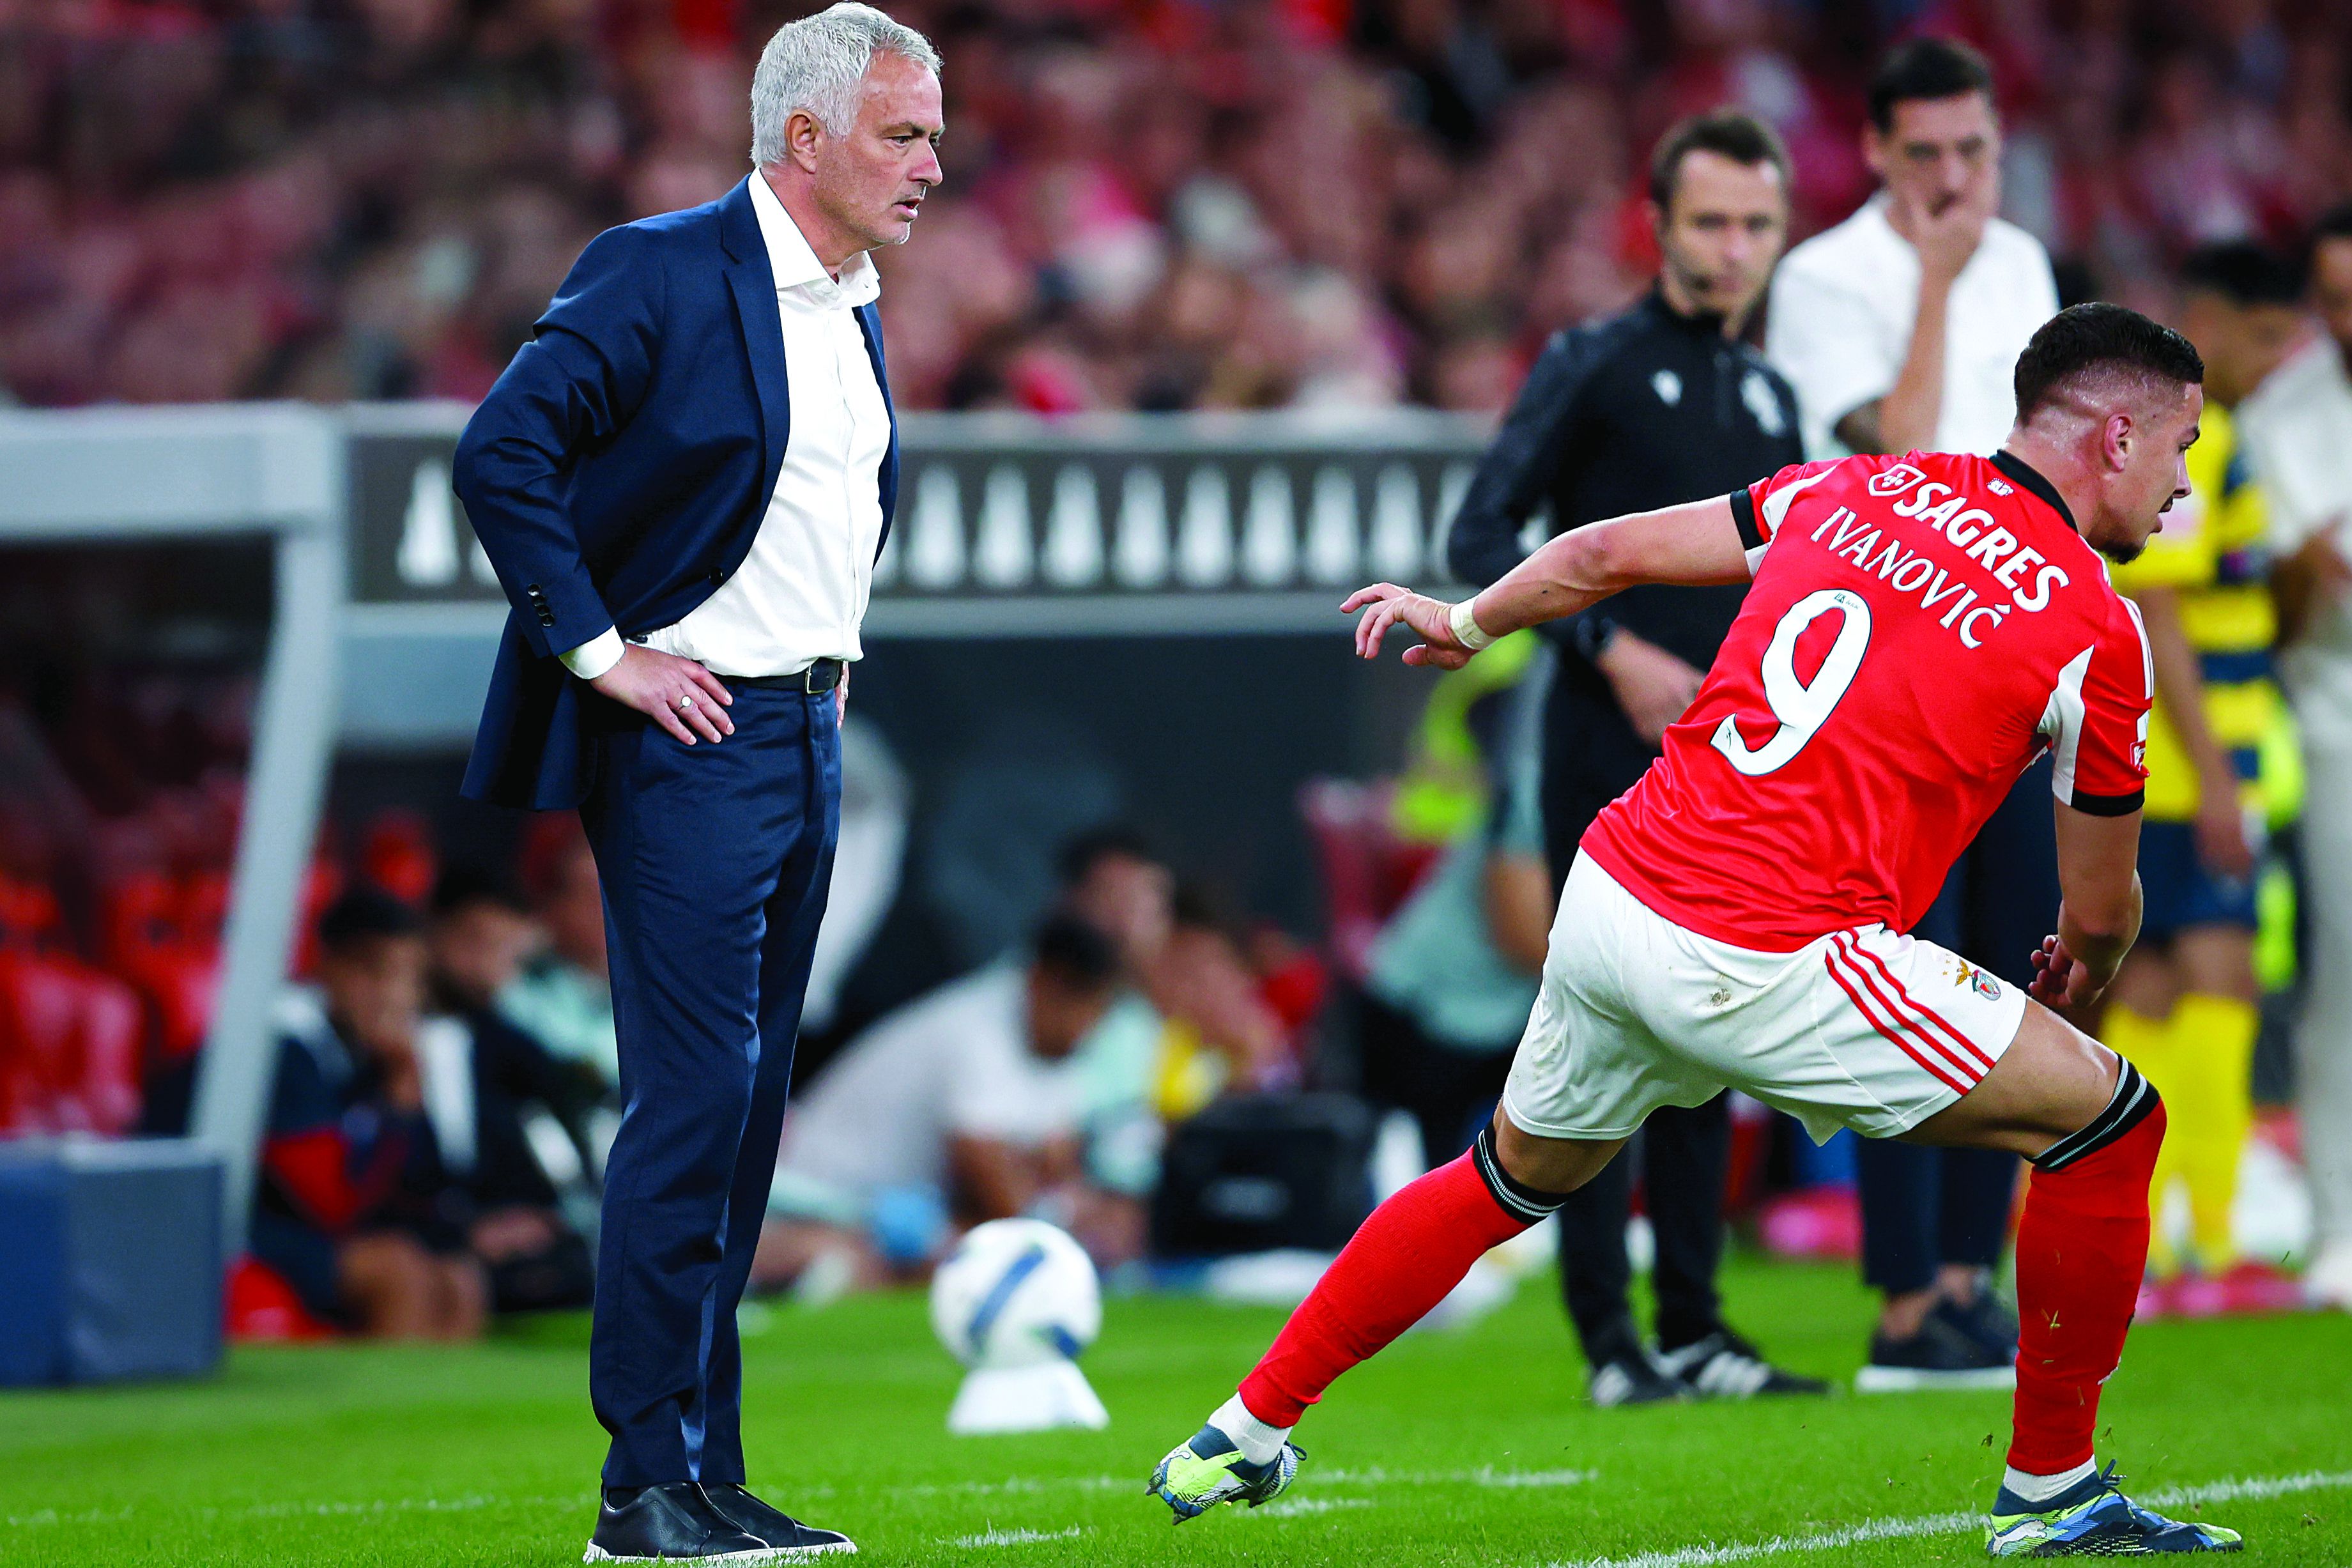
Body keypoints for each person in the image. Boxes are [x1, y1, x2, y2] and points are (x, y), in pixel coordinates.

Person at [1153, 304, 2247, 1556]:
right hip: (1775, 951)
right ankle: (2053, 1494)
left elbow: (1604, 553)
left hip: (1620, 893)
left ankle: (1240, 1427)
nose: (2178, 488)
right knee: (2111, 1123)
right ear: (2114, 435)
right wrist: (2086, 964)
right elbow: (2099, 909)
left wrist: (1463, 623)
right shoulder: (2096, 631)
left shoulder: (1854, 487)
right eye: (2179, 447)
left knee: (1506, 1178)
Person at [450, 4, 941, 1556]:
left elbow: (819, 505)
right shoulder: (657, 265)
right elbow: (500, 453)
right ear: (804, 140)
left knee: (742, 1118)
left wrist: (823, 656)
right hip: (691, 738)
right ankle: (634, 1486)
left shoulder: (851, 296)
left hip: (801, 730)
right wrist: (607, 655)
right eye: (902, 133)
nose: (932, 162)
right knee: (693, 1101)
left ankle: (705, 1469)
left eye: (930, 132)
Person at [1445, 108, 1820, 1405]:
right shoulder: (1593, 362)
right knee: (1599, 1028)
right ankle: (1611, 1341)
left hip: (1729, 766)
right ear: (1656, 227)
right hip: (1598, 743)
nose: (1733, 249)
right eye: (1711, 221)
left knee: (1718, 1026)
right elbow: (1478, 526)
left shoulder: (1772, 395)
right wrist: (1605, 646)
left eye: (1757, 226)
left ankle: (1699, 1327)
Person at [1766, 36, 2058, 1389]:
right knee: (1897, 985)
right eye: (1925, 152)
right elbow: (1882, 450)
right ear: (1876, 151)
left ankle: (1965, 1281)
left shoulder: (2022, 261)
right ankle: (1896, 1302)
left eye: (1974, 150)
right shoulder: (1828, 279)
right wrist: (1932, 286)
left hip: (2005, 670)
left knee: (2003, 972)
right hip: (1882, 683)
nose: (1953, 178)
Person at [2103, 243, 2303, 1315]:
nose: (2281, 356)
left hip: (2181, 757)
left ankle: (2154, 1234)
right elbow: (2162, 608)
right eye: (2266, 334)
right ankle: (2208, 1232)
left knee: (2158, 983)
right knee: (2217, 976)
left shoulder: (2210, 439)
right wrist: (2220, 775)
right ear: (2211, 320)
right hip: (2192, 760)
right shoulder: (2197, 442)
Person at [753, 913, 1139, 1289]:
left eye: (1098, 1010)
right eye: (1080, 1006)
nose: (1086, 1026)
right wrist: (1062, 1251)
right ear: (1042, 982)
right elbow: (986, 1175)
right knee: (929, 1261)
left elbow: (1055, 1163)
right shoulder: (975, 1028)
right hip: (813, 1195)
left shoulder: (1059, 1045)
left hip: (901, 1212)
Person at [2236, 202, 2352, 1313]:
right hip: (2335, 715)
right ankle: (2336, 1226)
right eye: (2335, 296)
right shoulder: (2284, 413)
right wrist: (2297, 571)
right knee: (2344, 972)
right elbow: (2261, 597)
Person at [249, 888, 486, 1341]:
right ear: (327, 968)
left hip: (327, 1234)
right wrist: (397, 1108)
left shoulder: (378, 1061)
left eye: (411, 979)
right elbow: (330, 1202)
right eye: (376, 973)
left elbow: (423, 1190)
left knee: (459, 1277)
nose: (395, 997)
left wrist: (407, 1100)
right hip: (250, 1233)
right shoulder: (287, 1050)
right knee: (396, 1271)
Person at [424, 868, 602, 1314]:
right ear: (432, 936)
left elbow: (567, 1153)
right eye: (473, 942)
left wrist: (550, 1218)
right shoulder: (398, 1044)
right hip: (436, 1233)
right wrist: (467, 1227)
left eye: (503, 949)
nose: (486, 964)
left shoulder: (517, 1049)